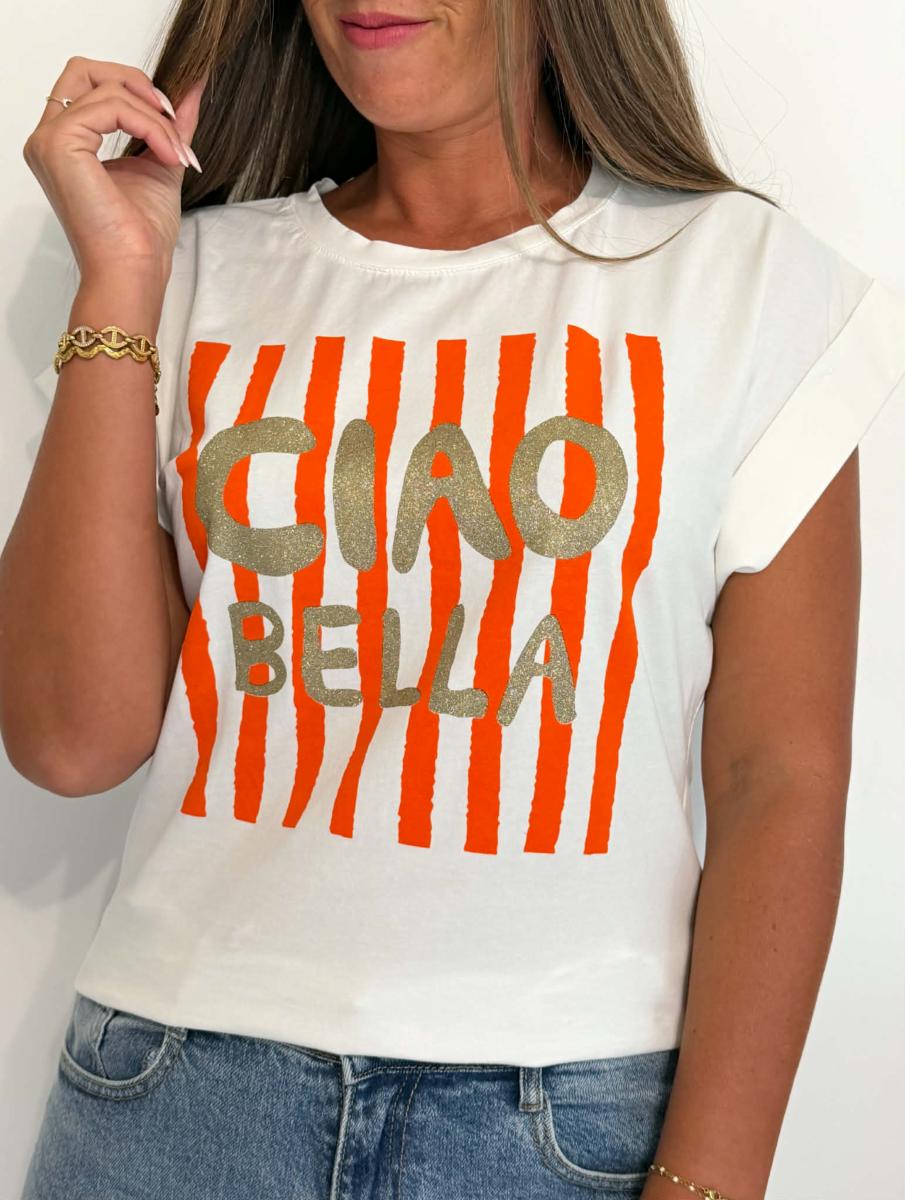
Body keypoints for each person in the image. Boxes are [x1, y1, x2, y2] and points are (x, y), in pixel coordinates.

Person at [5, 0, 904, 1197]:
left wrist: (708, 1180)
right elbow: (72, 742)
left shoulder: (743, 284)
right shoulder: (184, 267)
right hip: (173, 1099)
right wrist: (118, 281)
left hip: (565, 1127)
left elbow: (775, 780)